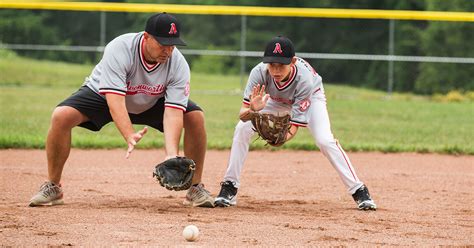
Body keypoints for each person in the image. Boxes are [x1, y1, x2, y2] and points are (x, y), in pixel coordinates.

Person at [29, 13, 214, 208]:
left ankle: (195, 188)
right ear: (146, 37)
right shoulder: (120, 48)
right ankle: (53, 186)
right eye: (162, 44)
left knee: (195, 117)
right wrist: (128, 134)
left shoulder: (178, 64)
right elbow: (115, 100)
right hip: (104, 96)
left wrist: (171, 155)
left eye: (172, 45)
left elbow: (174, 111)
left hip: (153, 101)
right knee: (61, 116)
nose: (167, 51)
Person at [214, 36, 377, 210]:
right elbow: (242, 114)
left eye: (281, 65)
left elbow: (294, 125)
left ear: (292, 61)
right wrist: (253, 111)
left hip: (311, 97)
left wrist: (281, 139)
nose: (275, 70)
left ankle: (359, 190)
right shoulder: (259, 72)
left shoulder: (304, 78)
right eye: (271, 65)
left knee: (324, 140)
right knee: (242, 129)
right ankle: (229, 186)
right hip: (274, 100)